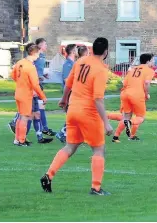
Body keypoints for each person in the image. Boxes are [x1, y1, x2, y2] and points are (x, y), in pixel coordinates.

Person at [41, 37, 114, 195]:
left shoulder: (80, 61)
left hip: (73, 110)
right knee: (99, 150)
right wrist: (106, 123)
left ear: (93, 49)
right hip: (88, 113)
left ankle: (49, 175)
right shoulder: (101, 69)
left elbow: (69, 83)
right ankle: (96, 187)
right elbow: (98, 99)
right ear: (106, 52)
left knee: (70, 146)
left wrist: (64, 98)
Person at [112, 53, 155, 142]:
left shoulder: (133, 69)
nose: (154, 62)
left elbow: (124, 82)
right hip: (137, 95)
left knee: (126, 117)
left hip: (125, 94)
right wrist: (147, 94)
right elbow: (146, 83)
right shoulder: (149, 70)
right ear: (148, 61)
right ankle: (130, 125)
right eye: (152, 60)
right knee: (140, 117)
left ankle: (116, 137)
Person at [12, 43, 48, 146]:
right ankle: (21, 140)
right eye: (38, 54)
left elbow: (13, 75)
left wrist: (21, 83)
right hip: (26, 95)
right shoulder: (31, 67)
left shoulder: (20, 62)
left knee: (20, 116)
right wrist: (43, 97)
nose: (38, 56)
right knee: (24, 117)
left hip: (18, 92)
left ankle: (17, 139)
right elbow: (35, 85)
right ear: (34, 53)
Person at [54, 44, 78, 143]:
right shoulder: (68, 64)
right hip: (70, 94)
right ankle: (62, 133)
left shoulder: (73, 63)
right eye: (76, 49)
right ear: (72, 51)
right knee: (72, 115)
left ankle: (70, 134)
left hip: (74, 93)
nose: (77, 51)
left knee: (75, 115)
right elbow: (67, 80)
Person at [35, 38, 55, 136]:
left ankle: (45, 128)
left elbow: (38, 69)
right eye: (45, 44)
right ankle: (14, 122)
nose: (46, 46)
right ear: (40, 45)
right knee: (35, 107)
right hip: (35, 85)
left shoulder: (42, 56)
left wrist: (43, 74)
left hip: (39, 84)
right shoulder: (36, 56)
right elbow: (33, 69)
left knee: (39, 106)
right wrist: (38, 77)